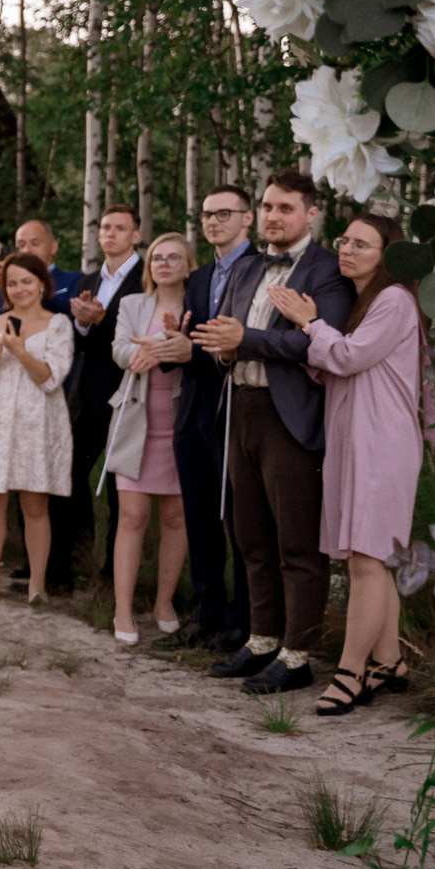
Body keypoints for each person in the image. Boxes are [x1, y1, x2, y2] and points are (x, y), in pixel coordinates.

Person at [191, 168, 354, 694]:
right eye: (266, 206)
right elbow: (230, 337)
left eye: (285, 208)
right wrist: (219, 347)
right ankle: (262, 640)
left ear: (311, 213)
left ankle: (298, 654)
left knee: (297, 544)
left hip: (291, 415)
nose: (273, 216)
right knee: (252, 536)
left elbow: (316, 343)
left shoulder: (328, 271)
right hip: (240, 407)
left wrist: (248, 340)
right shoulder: (247, 268)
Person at [276, 213, 431, 715]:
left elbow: (346, 358)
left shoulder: (394, 300)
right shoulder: (367, 302)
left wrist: (308, 323)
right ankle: (389, 661)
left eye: (361, 244)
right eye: (343, 240)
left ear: (388, 254)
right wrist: (316, 340)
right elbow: (337, 366)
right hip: (358, 438)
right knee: (370, 558)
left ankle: (350, 673)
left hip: (382, 443)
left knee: (367, 559)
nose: (346, 249)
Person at [0, 253, 74, 605]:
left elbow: (51, 380)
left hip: (37, 422)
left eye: (27, 281)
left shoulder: (58, 325)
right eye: (12, 283)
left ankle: (36, 584)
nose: (19, 288)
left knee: (35, 504)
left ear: (42, 283)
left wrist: (21, 352)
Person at [174, 185, 255, 651]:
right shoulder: (200, 276)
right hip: (193, 409)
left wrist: (192, 351)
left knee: (240, 522)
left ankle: (242, 621)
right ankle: (205, 612)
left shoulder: (261, 270)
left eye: (224, 213)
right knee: (199, 518)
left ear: (247, 219)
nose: (213, 222)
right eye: (206, 214)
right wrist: (172, 347)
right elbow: (191, 339)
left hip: (236, 408)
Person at [106, 232, 194, 645]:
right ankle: (123, 610)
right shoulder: (132, 304)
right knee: (132, 517)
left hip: (181, 422)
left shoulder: (201, 305)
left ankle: (164, 601)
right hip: (135, 419)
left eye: (174, 257)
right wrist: (147, 351)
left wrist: (160, 346)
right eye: (157, 257)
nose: (163, 263)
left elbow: (199, 350)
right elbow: (120, 350)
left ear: (189, 265)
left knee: (176, 517)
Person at [50, 206, 142, 593]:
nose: (111, 234)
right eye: (105, 227)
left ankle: (112, 576)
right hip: (86, 392)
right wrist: (84, 322)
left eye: (120, 228)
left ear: (136, 235)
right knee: (66, 477)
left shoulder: (145, 276)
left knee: (124, 491)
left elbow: (135, 333)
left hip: (127, 393)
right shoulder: (88, 278)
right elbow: (80, 341)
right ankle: (61, 568)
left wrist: (99, 321)